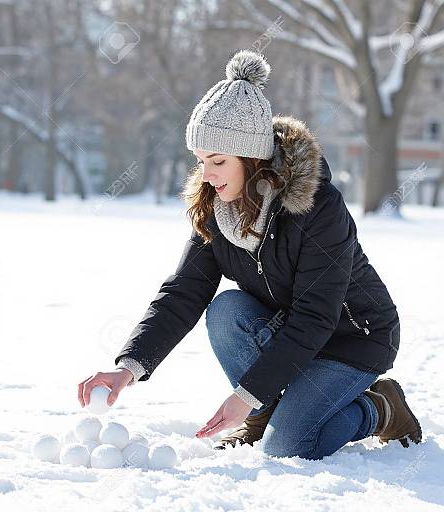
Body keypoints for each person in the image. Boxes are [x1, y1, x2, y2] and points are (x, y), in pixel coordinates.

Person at [78, 50, 422, 460]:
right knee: (227, 309)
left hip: (352, 339)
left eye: (218, 161)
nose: (207, 174)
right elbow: (184, 291)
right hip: (289, 331)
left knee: (290, 446)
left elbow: (315, 316)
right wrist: (128, 367)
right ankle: (273, 408)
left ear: (251, 157)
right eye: (202, 161)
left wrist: (246, 395)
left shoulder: (318, 208)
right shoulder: (216, 208)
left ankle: (379, 408)